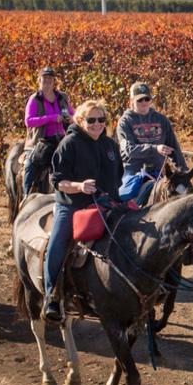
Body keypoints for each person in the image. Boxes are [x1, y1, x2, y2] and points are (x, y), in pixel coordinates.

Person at [42, 100, 123, 323]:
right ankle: (52, 295)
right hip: (73, 204)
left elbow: (117, 178)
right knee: (59, 241)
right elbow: (57, 181)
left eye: (101, 120)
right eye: (91, 120)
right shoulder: (69, 143)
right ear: (80, 120)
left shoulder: (110, 146)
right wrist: (79, 186)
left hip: (106, 202)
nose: (97, 124)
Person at [116, 82, 185, 205]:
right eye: (139, 100)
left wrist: (183, 171)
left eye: (147, 99)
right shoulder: (125, 122)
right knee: (123, 199)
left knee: (181, 196)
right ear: (131, 100)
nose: (144, 102)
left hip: (158, 173)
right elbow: (130, 150)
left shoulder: (161, 120)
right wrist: (155, 149)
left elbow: (174, 147)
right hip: (133, 173)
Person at [23, 67, 74, 195]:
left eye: (50, 81)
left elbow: (73, 114)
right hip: (42, 140)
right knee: (31, 164)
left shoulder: (62, 97)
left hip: (62, 138)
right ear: (39, 82)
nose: (47, 84)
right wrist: (50, 118)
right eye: (44, 80)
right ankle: (26, 194)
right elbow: (28, 121)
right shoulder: (34, 99)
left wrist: (70, 118)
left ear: (54, 82)